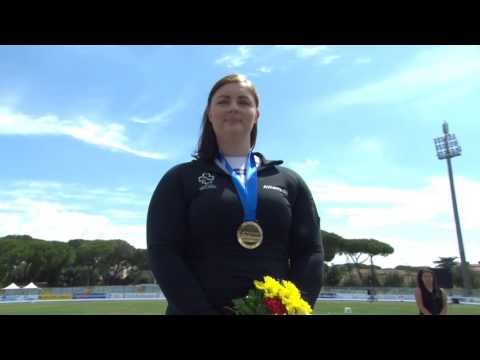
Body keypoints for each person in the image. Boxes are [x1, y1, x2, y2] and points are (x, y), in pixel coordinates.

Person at [147, 74, 324, 315]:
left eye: (243, 101)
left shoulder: (290, 181)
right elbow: (163, 252)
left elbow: (310, 252)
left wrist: (294, 309)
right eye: (223, 101)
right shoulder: (180, 179)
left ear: (256, 115)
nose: (233, 107)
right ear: (210, 114)